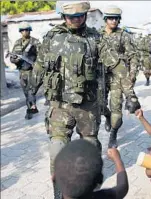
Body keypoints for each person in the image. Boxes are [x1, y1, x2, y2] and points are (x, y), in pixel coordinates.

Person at [31, 1, 102, 198]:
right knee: (57, 149)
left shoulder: (96, 38)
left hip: (87, 106)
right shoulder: (53, 37)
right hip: (60, 106)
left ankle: (90, 188)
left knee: (90, 148)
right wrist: (31, 94)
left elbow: (110, 70)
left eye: (80, 16)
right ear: (63, 17)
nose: (77, 20)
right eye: (72, 17)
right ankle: (59, 192)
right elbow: (39, 65)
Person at [99, 5, 141, 149]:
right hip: (101, 76)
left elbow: (133, 56)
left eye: (116, 18)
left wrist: (132, 74)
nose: (113, 21)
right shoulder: (98, 35)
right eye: (110, 18)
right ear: (105, 19)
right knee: (100, 105)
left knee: (116, 106)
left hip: (118, 76)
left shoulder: (124, 35)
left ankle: (113, 134)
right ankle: (107, 116)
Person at [54, 139, 129, 199]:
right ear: (100, 180)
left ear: (54, 178)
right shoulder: (103, 196)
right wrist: (117, 159)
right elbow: (123, 187)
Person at [9, 22, 40, 120]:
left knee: (31, 91)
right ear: (20, 32)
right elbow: (12, 57)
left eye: (27, 30)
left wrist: (37, 64)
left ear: (30, 30)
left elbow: (42, 55)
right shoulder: (17, 43)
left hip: (32, 71)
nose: (25, 32)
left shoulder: (35, 42)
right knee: (26, 92)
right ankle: (32, 106)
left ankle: (31, 109)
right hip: (22, 72)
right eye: (23, 30)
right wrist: (15, 60)